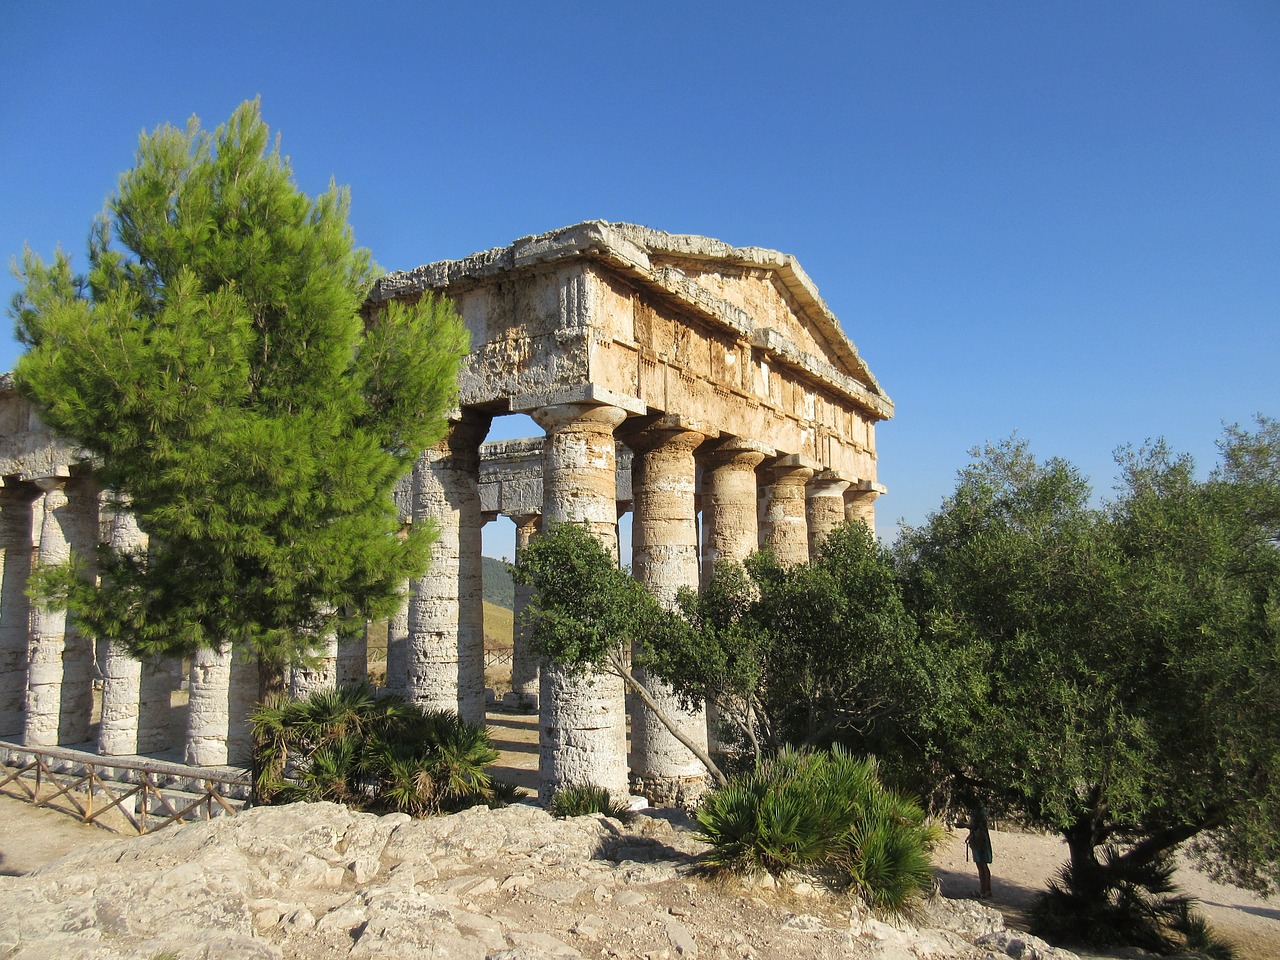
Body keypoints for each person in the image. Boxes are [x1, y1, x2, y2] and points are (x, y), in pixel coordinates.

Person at [966, 804, 993, 898]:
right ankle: (988, 889)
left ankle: (982, 891)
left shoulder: (977, 812)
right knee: (984, 865)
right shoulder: (983, 810)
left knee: (980, 865)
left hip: (979, 841)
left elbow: (975, 825)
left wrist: (964, 825)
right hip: (983, 839)